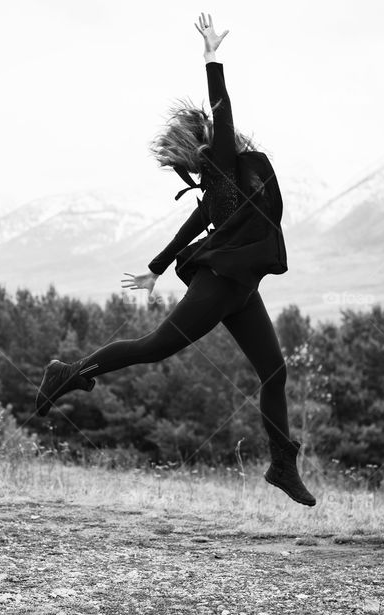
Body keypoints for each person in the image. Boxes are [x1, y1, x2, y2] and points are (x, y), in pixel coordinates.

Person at [35, 13, 315, 507]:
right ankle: (69, 372)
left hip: (241, 290)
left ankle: (280, 463)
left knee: (274, 372)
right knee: (154, 346)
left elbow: (196, 222)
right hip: (219, 284)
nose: (225, 133)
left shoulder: (228, 183)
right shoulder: (226, 165)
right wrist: (212, 57)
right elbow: (223, 108)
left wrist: (157, 267)